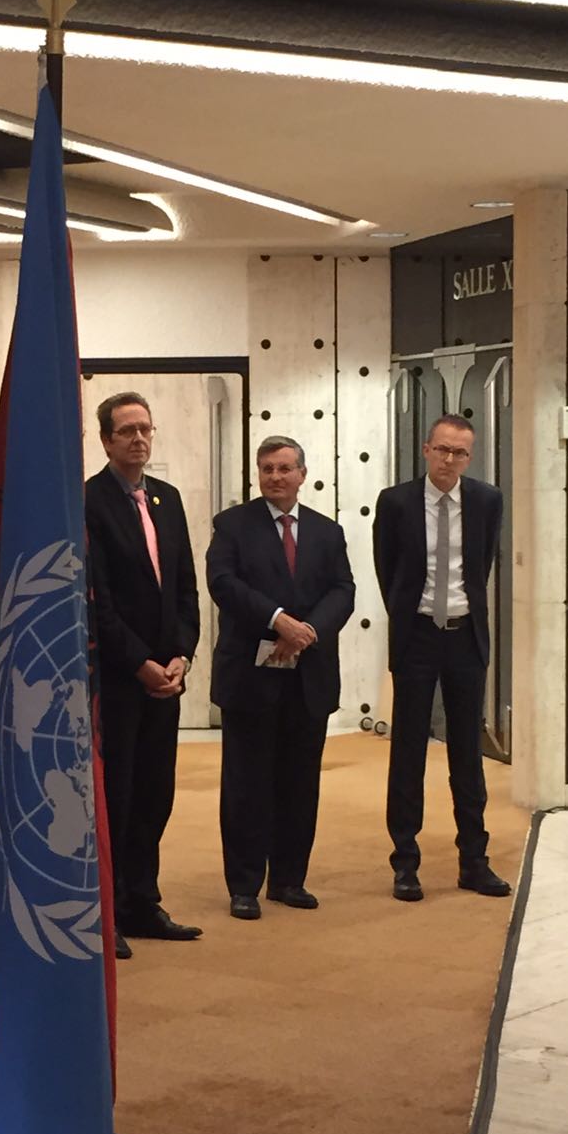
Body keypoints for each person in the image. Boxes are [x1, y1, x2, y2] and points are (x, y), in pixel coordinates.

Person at [207, 436, 354, 919]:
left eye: (285, 468)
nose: (276, 476)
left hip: (308, 676)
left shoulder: (328, 532)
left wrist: (307, 631)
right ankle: (244, 885)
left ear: (302, 475)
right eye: (267, 468)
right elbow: (223, 583)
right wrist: (278, 620)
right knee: (246, 784)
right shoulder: (232, 525)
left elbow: (343, 590)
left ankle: (289, 879)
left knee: (299, 782)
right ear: (258, 473)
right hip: (250, 677)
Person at [373, 413, 510, 902]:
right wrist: (411, 618)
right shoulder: (396, 502)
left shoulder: (488, 500)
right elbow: (387, 571)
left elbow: (482, 565)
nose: (449, 460)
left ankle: (474, 861)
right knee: (408, 750)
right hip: (417, 637)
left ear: (469, 457)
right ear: (426, 450)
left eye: (459, 453)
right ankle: (405, 863)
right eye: (442, 449)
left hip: (465, 637)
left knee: (467, 752)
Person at [85, 391, 201, 957]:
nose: (138, 439)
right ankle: (107, 912)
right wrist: (140, 664)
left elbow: (184, 587)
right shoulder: (89, 501)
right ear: (106, 439)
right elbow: (97, 600)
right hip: (119, 676)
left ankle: (142, 901)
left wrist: (182, 654)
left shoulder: (167, 498)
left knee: (157, 793)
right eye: (127, 430)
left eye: (145, 429)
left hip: (166, 674)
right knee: (118, 796)